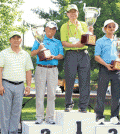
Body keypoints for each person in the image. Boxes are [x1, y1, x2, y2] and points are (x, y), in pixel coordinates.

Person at [60, 4, 93, 112]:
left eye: (75, 12)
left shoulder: (84, 24)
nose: (73, 14)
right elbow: (64, 43)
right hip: (71, 55)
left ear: (78, 13)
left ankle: (83, 106)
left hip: (84, 54)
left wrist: (90, 33)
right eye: (71, 12)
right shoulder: (64, 26)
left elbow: (88, 39)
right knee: (69, 80)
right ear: (67, 14)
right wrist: (75, 45)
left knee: (85, 81)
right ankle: (69, 104)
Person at [0, 31, 34, 134]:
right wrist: (0, 85)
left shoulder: (25, 54)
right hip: (6, 85)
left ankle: (13, 132)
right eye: (13, 38)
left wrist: (28, 86)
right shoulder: (3, 53)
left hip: (20, 86)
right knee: (5, 112)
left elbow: (28, 71)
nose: (16, 40)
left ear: (21, 40)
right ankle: (4, 132)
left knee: (16, 111)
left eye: (18, 38)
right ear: (10, 40)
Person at [31, 21, 64, 124]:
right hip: (41, 68)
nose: (52, 30)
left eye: (54, 29)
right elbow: (32, 53)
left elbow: (61, 55)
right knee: (40, 94)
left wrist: (54, 57)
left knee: (52, 94)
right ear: (45, 29)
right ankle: (39, 117)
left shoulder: (58, 42)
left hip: (53, 69)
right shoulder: (38, 39)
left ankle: (50, 117)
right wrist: (39, 49)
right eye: (50, 28)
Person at [94, 19, 120, 124]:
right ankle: (99, 117)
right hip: (104, 69)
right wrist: (106, 65)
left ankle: (114, 116)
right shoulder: (100, 41)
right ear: (105, 29)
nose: (111, 28)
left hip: (117, 70)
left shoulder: (118, 41)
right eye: (109, 26)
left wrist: (118, 62)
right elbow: (96, 56)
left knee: (117, 94)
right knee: (101, 93)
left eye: (113, 26)